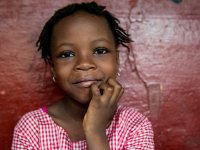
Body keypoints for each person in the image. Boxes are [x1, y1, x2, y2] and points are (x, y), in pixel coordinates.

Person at [12, 1, 154, 149]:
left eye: (100, 51)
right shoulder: (31, 129)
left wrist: (95, 131)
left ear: (117, 60)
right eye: (67, 54)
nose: (84, 64)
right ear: (53, 67)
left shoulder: (135, 126)